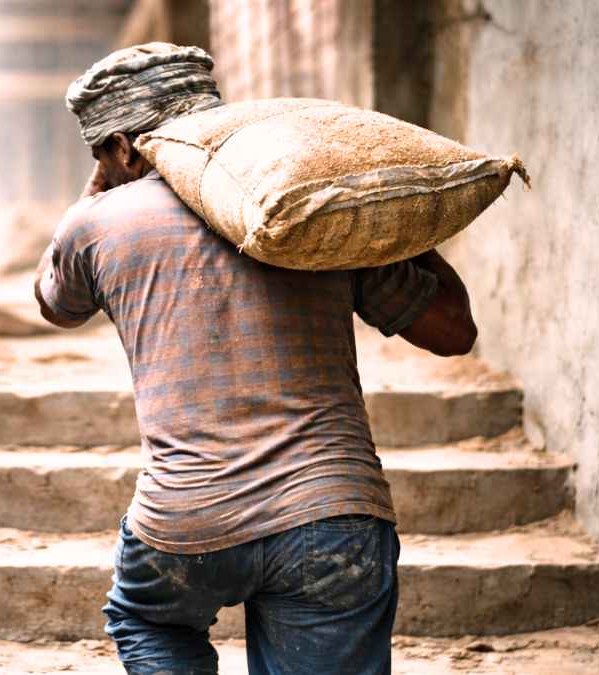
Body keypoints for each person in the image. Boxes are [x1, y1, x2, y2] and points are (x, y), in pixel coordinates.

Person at [34, 43, 477, 675]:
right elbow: (453, 333)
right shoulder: (308, 209)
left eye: (100, 153)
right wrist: (404, 229)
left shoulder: (97, 226)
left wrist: (91, 202)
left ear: (124, 148)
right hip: (334, 519)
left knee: (146, 619)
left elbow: (55, 304)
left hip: (182, 525)